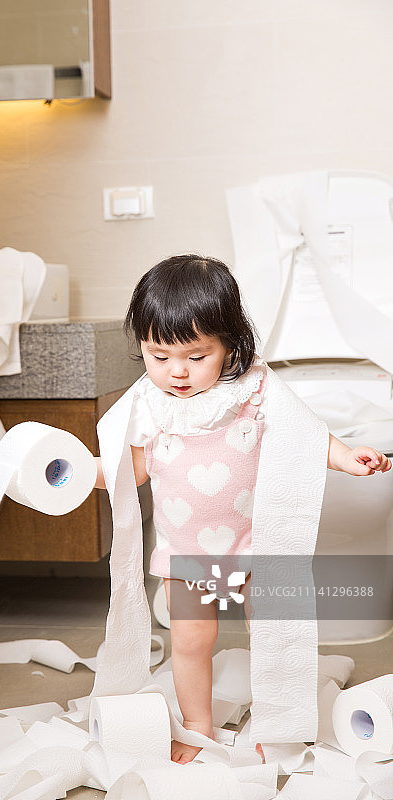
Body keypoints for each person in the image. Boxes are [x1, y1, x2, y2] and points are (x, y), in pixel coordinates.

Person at [94, 254, 391, 765]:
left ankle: (277, 722)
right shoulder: (148, 402)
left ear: (230, 343)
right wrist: (73, 473)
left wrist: (346, 457)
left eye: (196, 355)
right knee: (190, 639)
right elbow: (132, 471)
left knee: (273, 630)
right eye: (158, 356)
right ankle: (197, 724)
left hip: (259, 543)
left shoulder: (254, 387)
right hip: (186, 552)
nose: (178, 372)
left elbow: (305, 435)